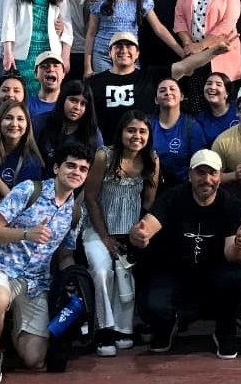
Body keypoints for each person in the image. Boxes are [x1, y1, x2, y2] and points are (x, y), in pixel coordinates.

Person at [0, 143, 91, 384]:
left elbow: (65, 255)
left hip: (36, 282)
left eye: (83, 169)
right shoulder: (29, 190)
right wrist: (26, 234)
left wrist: (73, 282)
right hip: (0, 267)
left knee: (35, 359)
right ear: (56, 168)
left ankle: (4, 329)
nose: (76, 172)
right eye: (70, 165)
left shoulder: (76, 213)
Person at [129, 150, 241, 360]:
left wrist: (240, 246)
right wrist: (139, 234)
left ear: (219, 176)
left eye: (212, 173)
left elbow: (232, 256)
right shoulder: (172, 198)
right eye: (200, 173)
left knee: (239, 279)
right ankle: (168, 325)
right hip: (174, 271)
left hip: (214, 273)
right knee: (152, 304)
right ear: (190, 175)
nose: (207, 179)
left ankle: (225, 330)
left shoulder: (230, 205)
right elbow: (148, 225)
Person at [83, 111, 159, 356]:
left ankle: (124, 328)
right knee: (102, 270)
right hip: (98, 229)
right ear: (121, 132)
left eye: (142, 131)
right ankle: (104, 329)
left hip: (131, 232)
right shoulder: (104, 156)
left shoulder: (152, 159)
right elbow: (90, 197)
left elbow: (149, 202)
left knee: (127, 274)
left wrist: (139, 233)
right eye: (131, 130)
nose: (136, 136)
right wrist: (105, 237)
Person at [85, 31, 228, 144]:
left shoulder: (150, 76)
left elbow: (185, 66)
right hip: (108, 149)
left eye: (129, 46)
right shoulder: (94, 82)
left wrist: (214, 52)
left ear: (137, 54)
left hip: (143, 147)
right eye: (118, 46)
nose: (124, 50)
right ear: (109, 53)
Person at [84, 0, 185, 76]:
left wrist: (181, 53)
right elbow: (91, 34)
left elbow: (159, 29)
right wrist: (87, 68)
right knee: (105, 87)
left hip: (129, 56)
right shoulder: (101, 1)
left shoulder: (142, 2)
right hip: (102, 56)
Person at [1, 0, 72, 95]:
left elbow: (67, 26)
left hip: (51, 50)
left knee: (48, 92)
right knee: (24, 93)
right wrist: (8, 53)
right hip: (23, 50)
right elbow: (8, 22)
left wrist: (65, 57)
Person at [0, 101, 45, 198]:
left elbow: (17, 201)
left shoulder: (32, 161)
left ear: (27, 124)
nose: (14, 124)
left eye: (20, 119)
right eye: (8, 118)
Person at [35, 80, 102, 172]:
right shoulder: (41, 122)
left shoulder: (93, 132)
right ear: (62, 99)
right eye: (73, 100)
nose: (77, 107)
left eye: (83, 104)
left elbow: (98, 166)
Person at [151, 77, 206, 189]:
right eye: (162, 90)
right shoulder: (147, 125)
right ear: (156, 100)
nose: (168, 93)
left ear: (181, 96)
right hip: (152, 187)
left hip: (183, 188)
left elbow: (200, 164)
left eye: (172, 89)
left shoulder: (192, 126)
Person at [195, 72, 238, 147]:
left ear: (227, 93)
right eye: (209, 84)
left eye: (218, 85)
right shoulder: (200, 120)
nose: (212, 87)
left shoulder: (239, 108)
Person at [26, 53, 65, 117]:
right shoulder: (25, 105)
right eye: (44, 66)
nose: (51, 69)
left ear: (64, 73)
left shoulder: (69, 106)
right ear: (36, 74)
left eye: (56, 66)